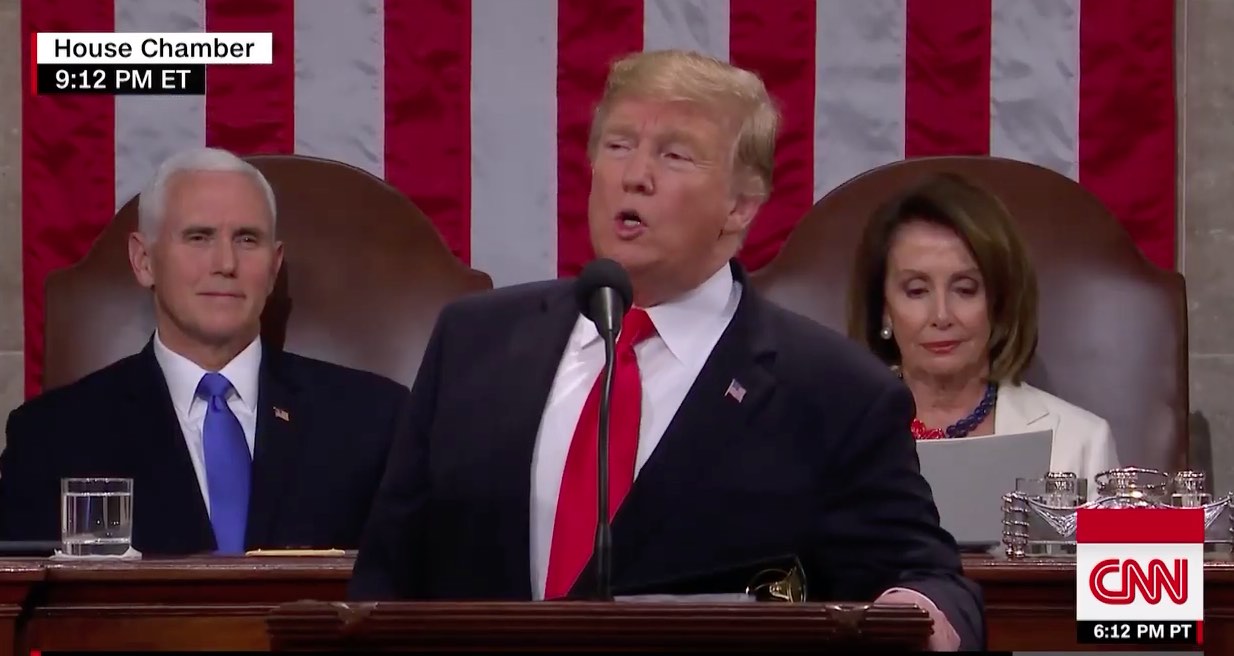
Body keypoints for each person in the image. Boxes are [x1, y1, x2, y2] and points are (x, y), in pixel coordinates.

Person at [348, 50, 982, 651]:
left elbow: (929, 579)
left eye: (675, 155)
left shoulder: (832, 390)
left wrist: (912, 615)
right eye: (619, 146)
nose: (636, 175)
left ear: (740, 204)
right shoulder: (474, 342)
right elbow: (387, 577)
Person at [0, 147, 411, 556]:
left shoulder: (375, 421)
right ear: (144, 261)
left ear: (273, 266)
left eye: (247, 239)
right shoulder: (53, 438)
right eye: (199, 237)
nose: (226, 263)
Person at [846, 171, 1120, 493]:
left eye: (965, 289)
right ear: (884, 309)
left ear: (998, 303)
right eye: (917, 291)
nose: (941, 316)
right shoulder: (834, 436)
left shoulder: (1080, 444)